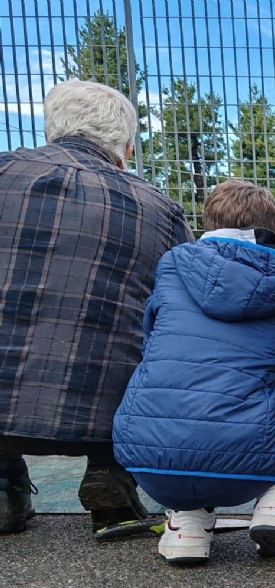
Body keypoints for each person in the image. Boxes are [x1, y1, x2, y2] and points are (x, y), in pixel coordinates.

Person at [0, 80, 191, 537]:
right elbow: (181, 312)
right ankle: (110, 473)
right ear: (124, 146)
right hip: (104, 415)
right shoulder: (160, 207)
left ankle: (5, 485)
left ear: (51, 128)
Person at [112, 181, 275, 565]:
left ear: (207, 222)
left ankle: (187, 522)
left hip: (151, 457)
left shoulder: (172, 269)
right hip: (249, 464)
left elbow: (153, 345)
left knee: (175, 380)